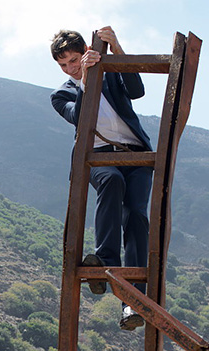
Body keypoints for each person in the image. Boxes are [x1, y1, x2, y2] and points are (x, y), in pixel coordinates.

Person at [50, 27, 153, 331]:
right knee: (111, 181)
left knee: (136, 217)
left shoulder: (110, 73)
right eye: (64, 64)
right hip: (96, 157)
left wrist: (115, 49)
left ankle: (133, 302)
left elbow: (137, 90)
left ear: (86, 51)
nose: (71, 67)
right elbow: (80, 117)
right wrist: (85, 81)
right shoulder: (62, 94)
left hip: (135, 155)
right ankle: (104, 260)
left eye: (75, 59)